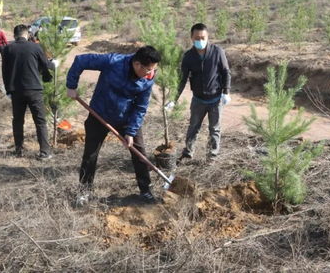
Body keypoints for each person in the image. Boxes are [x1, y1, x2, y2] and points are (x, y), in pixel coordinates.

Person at [66, 46, 161, 205]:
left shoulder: (148, 78)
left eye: (153, 70)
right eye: (148, 70)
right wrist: (71, 85)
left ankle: (145, 190)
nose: (150, 73)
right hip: (99, 114)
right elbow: (80, 60)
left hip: (126, 118)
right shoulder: (112, 62)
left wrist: (130, 132)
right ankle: (84, 192)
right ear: (137, 65)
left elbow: (141, 107)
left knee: (139, 152)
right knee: (90, 154)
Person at [171, 23, 231, 160]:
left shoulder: (217, 52)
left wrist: (226, 91)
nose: (200, 41)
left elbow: (226, 72)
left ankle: (212, 156)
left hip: (216, 99)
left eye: (203, 37)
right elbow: (182, 79)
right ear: (191, 38)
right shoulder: (188, 57)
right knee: (193, 127)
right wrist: (173, 99)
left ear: (207, 36)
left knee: (214, 129)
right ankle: (188, 152)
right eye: (197, 38)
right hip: (198, 100)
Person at [2, 24, 56, 160]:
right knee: (40, 121)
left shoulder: (8, 48)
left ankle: (19, 150)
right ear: (26, 34)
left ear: (15, 35)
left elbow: (5, 72)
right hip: (34, 90)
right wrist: (54, 64)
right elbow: (45, 65)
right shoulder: (35, 47)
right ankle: (45, 152)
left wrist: (8, 89)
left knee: (18, 121)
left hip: (16, 90)